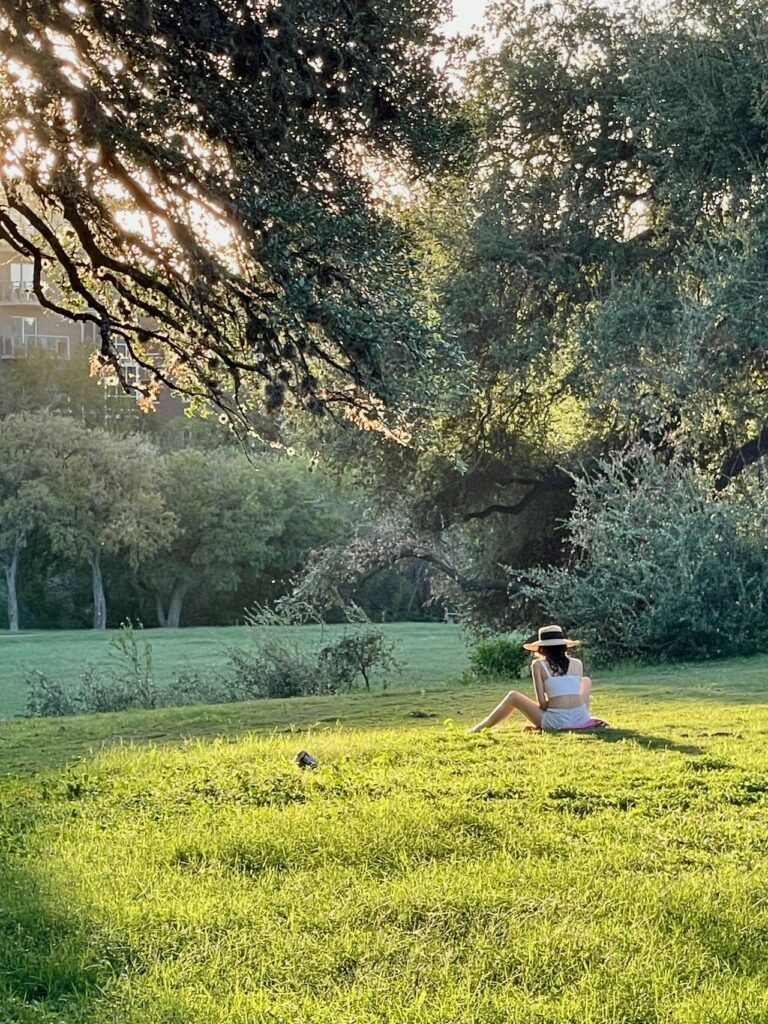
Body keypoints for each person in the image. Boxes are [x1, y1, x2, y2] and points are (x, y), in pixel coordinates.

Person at [468, 624, 594, 733]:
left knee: (513, 696)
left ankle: (480, 728)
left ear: (542, 648)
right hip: (581, 717)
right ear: (563, 646)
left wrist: (557, 704)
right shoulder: (577, 663)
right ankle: (580, 714)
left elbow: (542, 704)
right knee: (585, 681)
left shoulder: (538, 665)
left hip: (557, 722)